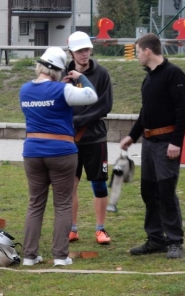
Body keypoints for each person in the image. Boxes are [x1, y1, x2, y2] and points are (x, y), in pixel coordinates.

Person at [20, 47, 98, 266]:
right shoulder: (62, 90)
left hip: (33, 151)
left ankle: (29, 255)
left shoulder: (24, 90)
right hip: (62, 152)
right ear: (58, 70)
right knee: (63, 204)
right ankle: (60, 256)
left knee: (35, 204)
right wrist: (81, 77)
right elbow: (92, 96)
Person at [120, 33, 185, 259]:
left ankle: (175, 240)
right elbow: (145, 112)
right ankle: (155, 238)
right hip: (149, 144)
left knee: (166, 191)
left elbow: (183, 111)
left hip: (166, 143)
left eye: (138, 51)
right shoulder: (149, 78)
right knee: (149, 191)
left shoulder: (173, 74)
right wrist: (132, 136)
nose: (138, 55)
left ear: (148, 51)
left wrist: (176, 142)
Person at [66, 31, 113, 244]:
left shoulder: (102, 74)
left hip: (95, 138)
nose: (84, 54)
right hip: (70, 140)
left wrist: (79, 121)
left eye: (86, 50)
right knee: (70, 185)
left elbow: (105, 105)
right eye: (79, 51)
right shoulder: (64, 74)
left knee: (99, 184)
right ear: (71, 53)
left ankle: (100, 229)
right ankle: (72, 228)